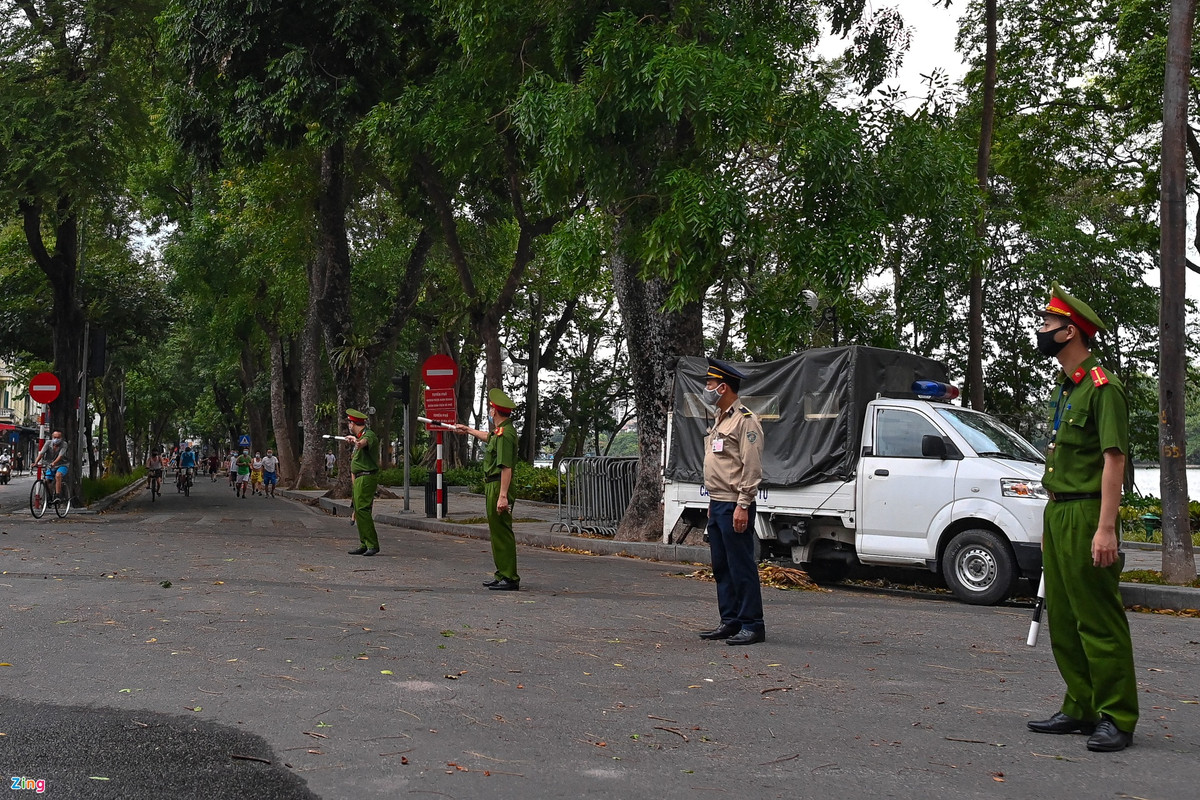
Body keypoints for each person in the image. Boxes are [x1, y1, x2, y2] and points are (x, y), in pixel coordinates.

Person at [1027, 283, 1137, 753]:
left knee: (1098, 618)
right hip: (1058, 512)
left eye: (1047, 326)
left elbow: (1114, 460)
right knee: (1065, 618)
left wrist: (1106, 528)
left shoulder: (1101, 389)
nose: (1040, 332)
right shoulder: (1067, 390)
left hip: (1088, 512)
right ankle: (1081, 705)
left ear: (1069, 331)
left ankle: (1116, 714)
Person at [697, 357, 766, 646]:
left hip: (736, 503)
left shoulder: (745, 420)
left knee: (741, 565)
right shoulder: (720, 419)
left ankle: (752, 624)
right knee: (722, 565)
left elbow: (751, 466)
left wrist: (743, 503)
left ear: (723, 387)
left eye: (710, 384)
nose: (707, 389)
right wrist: (714, 500)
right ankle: (730, 620)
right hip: (718, 502)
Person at [454, 388, 521, 591]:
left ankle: (510, 577)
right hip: (493, 484)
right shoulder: (501, 432)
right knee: (497, 531)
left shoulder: (505, 435)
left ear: (494, 412)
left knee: (502, 532)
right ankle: (502, 573)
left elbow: (506, 467)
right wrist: (468, 430)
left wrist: (502, 496)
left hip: (498, 485)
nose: (490, 412)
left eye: (491, 409)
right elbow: (488, 437)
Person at [345, 409, 381, 556]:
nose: (348, 425)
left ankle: (372, 544)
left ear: (353, 423)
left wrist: (356, 442)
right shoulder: (360, 436)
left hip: (366, 477)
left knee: (363, 510)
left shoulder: (368, 435)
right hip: (359, 478)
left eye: (349, 422)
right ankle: (364, 543)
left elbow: (363, 443)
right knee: (359, 511)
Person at [36, 430, 69, 500]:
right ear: (52, 437)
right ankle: (49, 496)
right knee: (46, 480)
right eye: (55, 437)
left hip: (62, 465)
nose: (56, 439)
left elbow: (60, 456)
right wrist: (36, 462)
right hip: (49, 465)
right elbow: (41, 453)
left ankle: (58, 495)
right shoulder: (48, 443)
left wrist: (54, 463)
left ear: (61, 438)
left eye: (58, 437)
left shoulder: (64, 444)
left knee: (58, 475)